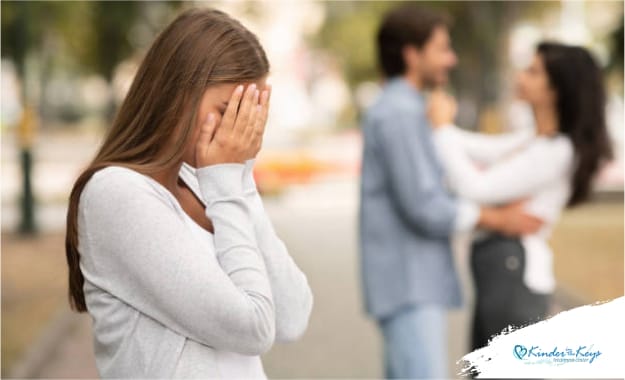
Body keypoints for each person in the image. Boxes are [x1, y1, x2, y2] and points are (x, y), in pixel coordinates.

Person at [64, 8, 313, 378]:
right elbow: (253, 328)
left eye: (250, 115)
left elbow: (291, 317)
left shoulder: (208, 183)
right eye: (228, 111)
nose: (238, 128)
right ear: (177, 94)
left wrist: (240, 179)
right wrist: (228, 182)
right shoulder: (115, 193)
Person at [358, 5, 544, 379]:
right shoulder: (399, 114)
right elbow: (424, 205)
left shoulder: (412, 110)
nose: (452, 59)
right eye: (442, 48)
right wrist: (496, 218)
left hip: (412, 283)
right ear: (412, 54)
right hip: (409, 286)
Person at [428, 42, 613, 354]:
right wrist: (442, 126)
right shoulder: (535, 141)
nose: (521, 77)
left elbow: (476, 188)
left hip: (513, 276)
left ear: (556, 90)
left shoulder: (555, 151)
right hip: (503, 274)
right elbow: (474, 147)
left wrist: (441, 127)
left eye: (533, 72)